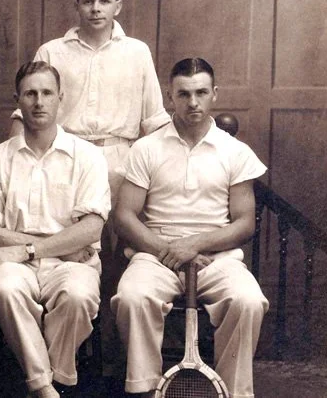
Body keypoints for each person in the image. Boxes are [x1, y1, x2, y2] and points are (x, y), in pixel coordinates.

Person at [111, 58, 269, 398]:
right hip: (155, 257)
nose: (193, 102)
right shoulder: (146, 148)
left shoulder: (234, 151)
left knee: (249, 300)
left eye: (200, 92)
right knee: (131, 297)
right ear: (170, 96)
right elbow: (124, 216)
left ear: (214, 93)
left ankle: (232, 392)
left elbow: (244, 222)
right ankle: (147, 390)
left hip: (217, 260)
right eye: (183, 94)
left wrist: (194, 245)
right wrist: (170, 252)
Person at [0, 62, 111, 398]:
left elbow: (91, 228)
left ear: (60, 98)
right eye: (30, 93)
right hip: (17, 266)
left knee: (77, 297)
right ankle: (48, 387)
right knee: (5, 289)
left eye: (47, 93)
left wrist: (27, 249)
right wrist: (57, 244)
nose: (39, 101)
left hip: (71, 265)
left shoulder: (88, 156)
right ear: (17, 100)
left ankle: (48, 380)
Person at [10, 0, 169, 204]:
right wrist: (18, 164)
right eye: (88, 1)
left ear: (118, 6)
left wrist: (159, 171)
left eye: (104, 0)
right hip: (64, 155)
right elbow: (25, 111)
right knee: (65, 232)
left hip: (120, 161)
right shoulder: (52, 51)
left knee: (119, 232)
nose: (96, 8)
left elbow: (155, 119)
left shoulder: (137, 52)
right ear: (77, 6)